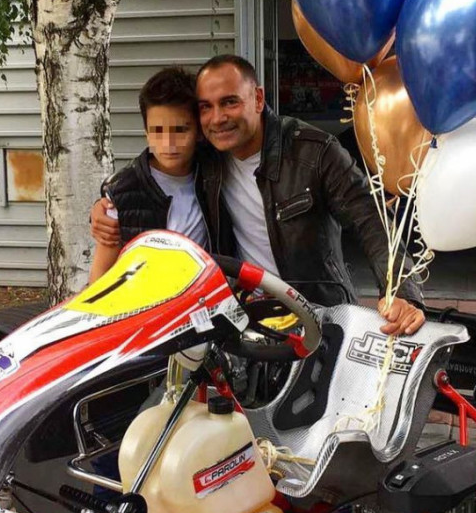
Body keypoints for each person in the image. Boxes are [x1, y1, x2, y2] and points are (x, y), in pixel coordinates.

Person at [92, 54, 424, 336]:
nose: (218, 118)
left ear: (258, 99)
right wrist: (107, 202)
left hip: (317, 316)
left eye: (230, 102)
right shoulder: (208, 155)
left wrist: (401, 292)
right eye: (206, 107)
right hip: (243, 320)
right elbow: (156, 162)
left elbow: (372, 221)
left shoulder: (314, 152)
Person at [89, 66, 213, 282]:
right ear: (146, 133)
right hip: (144, 299)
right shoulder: (122, 192)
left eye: (180, 130)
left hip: (205, 296)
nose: (168, 143)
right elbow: (100, 277)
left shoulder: (215, 172)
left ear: (199, 131)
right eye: (157, 131)